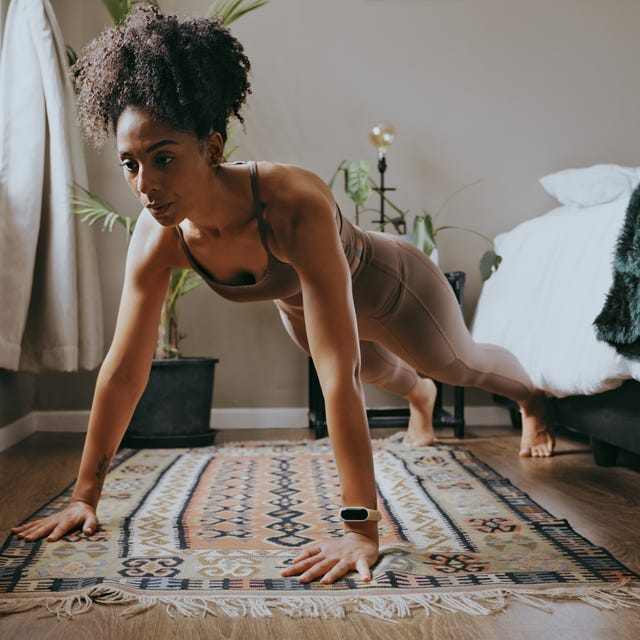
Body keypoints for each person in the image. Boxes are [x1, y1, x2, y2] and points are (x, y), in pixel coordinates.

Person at [11, 6, 554, 584]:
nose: (145, 184)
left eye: (164, 157)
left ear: (213, 147)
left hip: (393, 289)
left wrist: (359, 529)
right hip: (302, 308)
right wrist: (84, 496)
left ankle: (533, 399)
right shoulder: (157, 238)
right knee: (378, 371)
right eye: (130, 163)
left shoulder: (292, 203)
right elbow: (124, 373)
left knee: (457, 363)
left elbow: (334, 379)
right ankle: (419, 398)